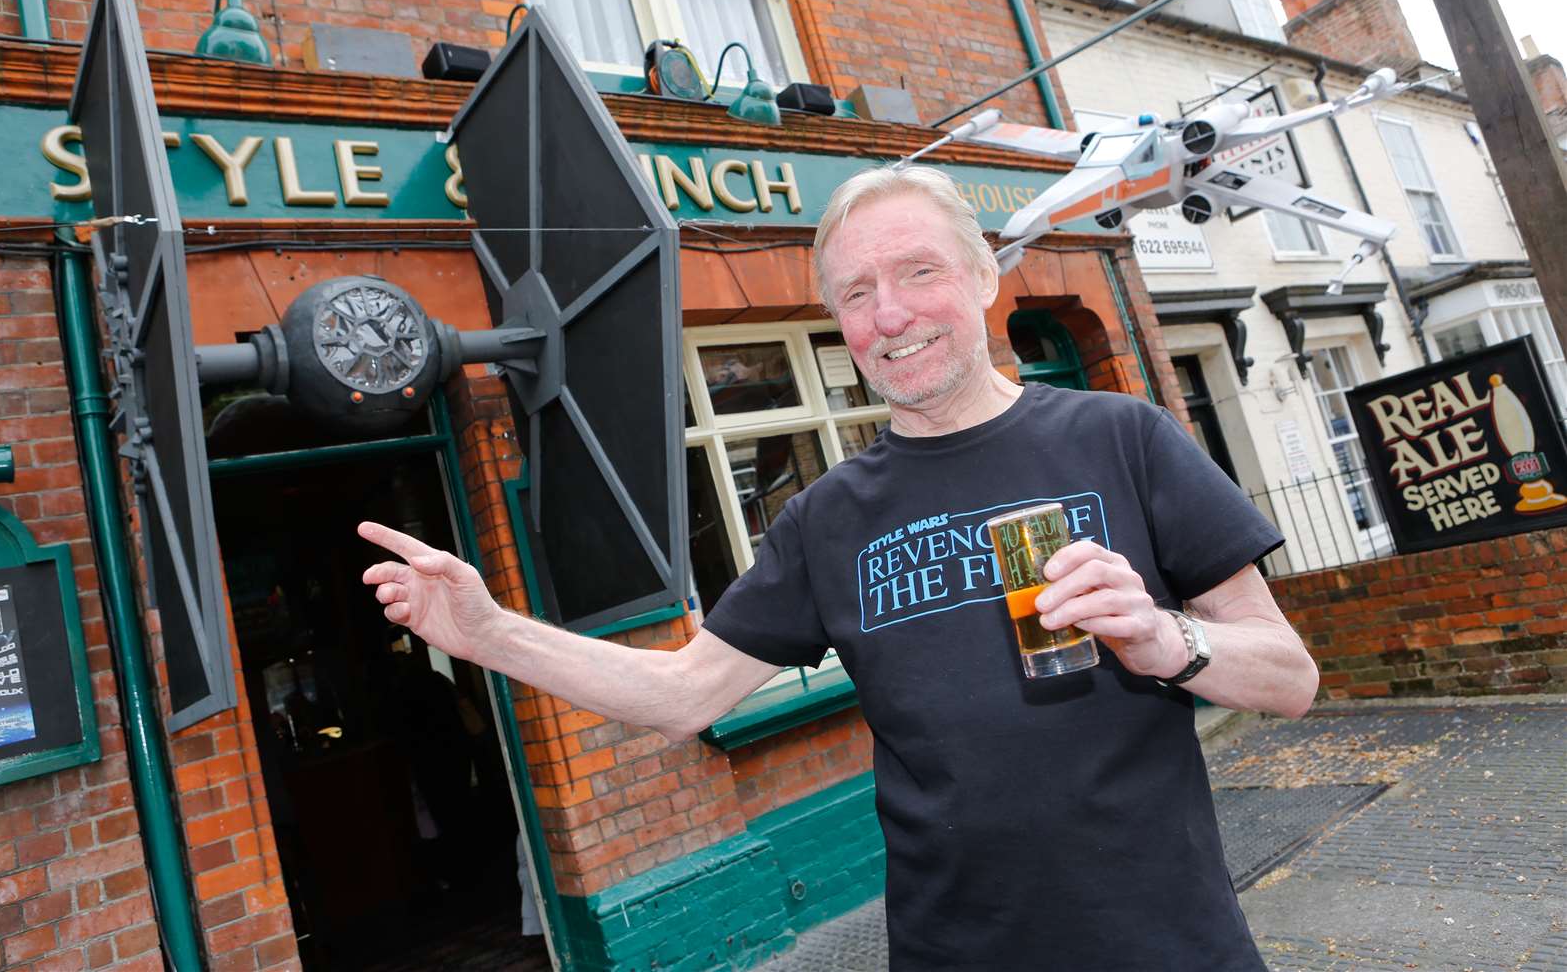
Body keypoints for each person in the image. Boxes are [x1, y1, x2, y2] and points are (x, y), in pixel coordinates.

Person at [360, 165, 1319, 971]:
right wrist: (490, 633)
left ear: (986, 276)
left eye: (917, 272)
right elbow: (686, 693)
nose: (890, 314)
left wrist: (1166, 639)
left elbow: (1290, 678)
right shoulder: (826, 519)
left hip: (1170, 942)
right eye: (857, 294)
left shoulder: (1124, 439)